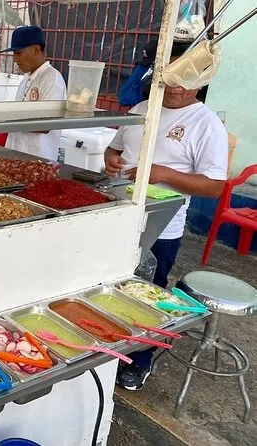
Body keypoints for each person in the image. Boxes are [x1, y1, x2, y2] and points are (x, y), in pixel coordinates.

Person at [105, 41, 228, 391]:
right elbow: (114, 148)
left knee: (149, 293)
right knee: (111, 288)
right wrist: (110, 160)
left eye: (185, 79)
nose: (175, 87)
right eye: (170, 77)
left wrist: (164, 174)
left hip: (162, 226)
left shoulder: (206, 124)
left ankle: (140, 360)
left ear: (200, 81)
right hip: (118, 215)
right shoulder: (141, 109)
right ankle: (109, 350)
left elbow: (213, 186)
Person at [2, 26, 67, 161]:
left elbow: (45, 125)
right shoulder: (26, 78)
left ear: (36, 49)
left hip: (38, 161)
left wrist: (6, 119)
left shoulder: (52, 79)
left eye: (19, 53)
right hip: (16, 158)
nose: (14, 59)